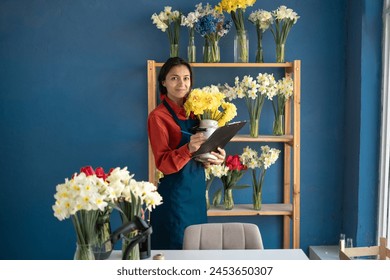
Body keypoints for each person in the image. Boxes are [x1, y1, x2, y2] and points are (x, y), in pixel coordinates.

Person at [147, 57, 226, 249]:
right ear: (163, 82)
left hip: (197, 195)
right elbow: (163, 163)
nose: (181, 84)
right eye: (174, 78)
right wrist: (188, 148)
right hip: (173, 198)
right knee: (175, 254)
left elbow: (199, 155)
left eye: (186, 78)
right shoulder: (158, 117)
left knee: (197, 252)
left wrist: (214, 157)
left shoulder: (197, 112)